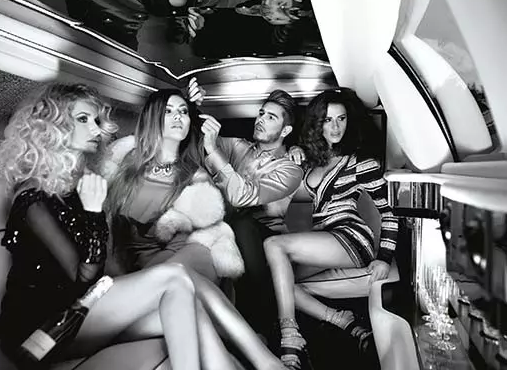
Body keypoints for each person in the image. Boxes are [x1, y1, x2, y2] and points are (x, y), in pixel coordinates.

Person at [0, 83, 279, 370]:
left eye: (96, 120)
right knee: (176, 276)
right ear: (53, 127)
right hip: (43, 331)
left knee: (189, 306)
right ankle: (267, 363)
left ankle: (261, 364)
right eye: (83, 119)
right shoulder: (32, 196)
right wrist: (94, 213)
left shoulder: (84, 183)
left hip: (88, 311)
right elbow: (81, 278)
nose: (96, 129)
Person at [101, 86, 288, 370]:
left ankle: (265, 360)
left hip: (194, 252)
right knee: (179, 292)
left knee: (180, 272)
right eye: (168, 111)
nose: (178, 117)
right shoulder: (124, 165)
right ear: (152, 117)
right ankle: (250, 356)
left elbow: (230, 207)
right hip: (142, 268)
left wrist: (214, 150)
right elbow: (109, 235)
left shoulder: (195, 173)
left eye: (183, 112)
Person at [263, 88, 399, 369]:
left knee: (273, 246)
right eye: (328, 120)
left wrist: (384, 257)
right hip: (325, 237)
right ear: (318, 124)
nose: (335, 127)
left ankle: (290, 336)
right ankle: (343, 321)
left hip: (352, 238)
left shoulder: (361, 163)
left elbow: (389, 213)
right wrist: (293, 152)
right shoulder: (313, 161)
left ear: (350, 121)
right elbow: (284, 196)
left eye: (341, 119)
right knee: (280, 282)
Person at [198, 87, 304, 345]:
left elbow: (241, 197)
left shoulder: (290, 168)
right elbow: (197, 143)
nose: (261, 119)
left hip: (266, 238)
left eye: (271, 117)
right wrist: (193, 106)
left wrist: (214, 151)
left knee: (242, 223)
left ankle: (259, 329)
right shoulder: (238, 146)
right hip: (226, 229)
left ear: (286, 131)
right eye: (261, 113)